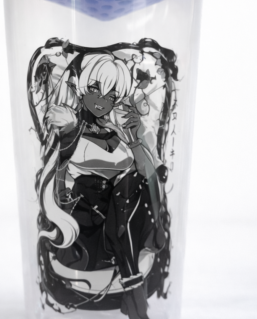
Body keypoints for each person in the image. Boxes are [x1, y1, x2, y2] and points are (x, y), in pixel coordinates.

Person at [36, 52, 166, 319]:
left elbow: (147, 173)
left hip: (121, 214)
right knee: (125, 185)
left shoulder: (115, 131)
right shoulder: (71, 126)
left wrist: (133, 137)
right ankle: (135, 286)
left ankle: (134, 278)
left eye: (110, 96)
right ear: (82, 88)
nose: (101, 100)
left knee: (139, 179)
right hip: (88, 216)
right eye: (95, 89)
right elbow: (61, 171)